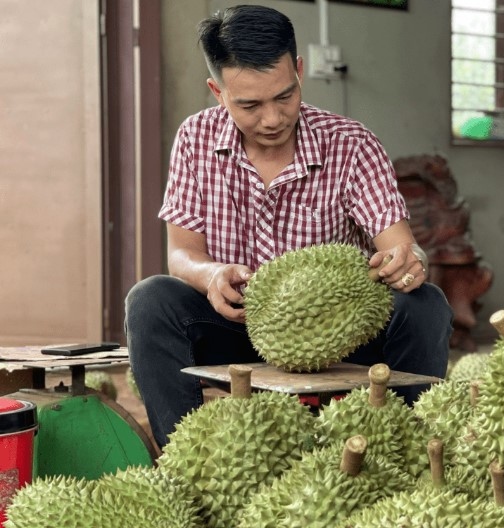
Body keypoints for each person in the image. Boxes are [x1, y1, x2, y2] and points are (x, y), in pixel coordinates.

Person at [125, 4, 453, 449]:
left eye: (284, 96)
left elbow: (403, 248)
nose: (273, 119)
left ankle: (409, 449)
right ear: (217, 91)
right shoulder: (194, 139)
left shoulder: (351, 144)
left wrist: (408, 263)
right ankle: (182, 461)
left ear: (298, 71)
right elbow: (181, 254)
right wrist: (211, 275)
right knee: (150, 301)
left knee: (425, 305)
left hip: (335, 336)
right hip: (239, 327)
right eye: (250, 105)